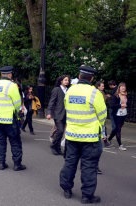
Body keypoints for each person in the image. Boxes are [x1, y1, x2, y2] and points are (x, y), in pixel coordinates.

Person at [60, 65, 107, 204]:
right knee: (89, 166)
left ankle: (66, 189)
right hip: (90, 137)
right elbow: (103, 115)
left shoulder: (70, 91)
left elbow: (67, 107)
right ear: (92, 78)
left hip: (72, 135)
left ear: (79, 76)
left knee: (70, 163)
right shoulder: (94, 93)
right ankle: (87, 196)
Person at [0, 66, 26, 171]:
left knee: (0, 141)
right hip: (9, 118)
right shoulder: (12, 85)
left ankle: (1, 163)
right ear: (10, 74)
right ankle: (17, 164)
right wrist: (17, 112)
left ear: (1, 74)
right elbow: (17, 103)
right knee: (15, 141)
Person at [46, 75, 70, 155]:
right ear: (61, 81)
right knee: (60, 130)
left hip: (66, 115)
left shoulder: (69, 90)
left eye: (68, 80)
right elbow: (52, 102)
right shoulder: (56, 89)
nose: (67, 81)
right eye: (65, 80)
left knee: (61, 132)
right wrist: (49, 113)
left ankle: (58, 148)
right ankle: (53, 146)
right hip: (58, 114)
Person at [107, 82, 128, 151]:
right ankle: (120, 145)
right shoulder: (116, 96)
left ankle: (109, 139)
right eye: (121, 86)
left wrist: (126, 105)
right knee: (118, 129)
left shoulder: (125, 95)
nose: (123, 88)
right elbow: (112, 105)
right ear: (119, 88)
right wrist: (120, 105)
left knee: (116, 129)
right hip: (117, 114)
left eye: (124, 86)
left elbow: (127, 103)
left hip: (123, 114)